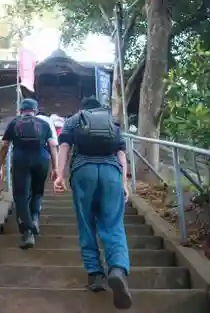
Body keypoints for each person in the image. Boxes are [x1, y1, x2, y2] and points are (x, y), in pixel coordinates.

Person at [53, 96, 132, 310]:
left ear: (83, 109)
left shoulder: (74, 120)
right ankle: (116, 270)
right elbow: (122, 155)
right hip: (111, 173)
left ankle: (95, 275)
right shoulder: (112, 122)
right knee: (113, 224)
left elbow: (64, 148)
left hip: (83, 172)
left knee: (86, 224)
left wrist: (59, 175)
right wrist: (124, 183)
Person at [0, 99, 59, 249]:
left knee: (21, 196)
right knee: (37, 192)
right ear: (35, 110)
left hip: (21, 160)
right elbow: (52, 144)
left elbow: (5, 145)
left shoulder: (14, 123)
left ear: (21, 110)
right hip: (41, 160)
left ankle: (28, 231)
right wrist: (56, 168)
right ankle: (35, 218)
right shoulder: (43, 124)